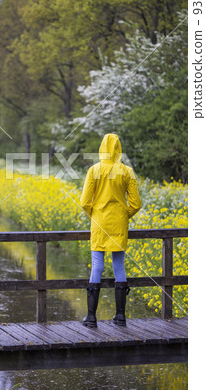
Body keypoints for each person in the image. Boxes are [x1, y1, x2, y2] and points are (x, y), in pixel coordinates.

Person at [80, 133, 141, 327]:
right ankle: (120, 316)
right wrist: (124, 215)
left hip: (99, 224)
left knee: (97, 264)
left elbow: (84, 202)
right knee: (119, 265)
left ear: (102, 148)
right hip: (119, 224)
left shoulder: (94, 170)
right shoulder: (127, 171)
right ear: (118, 149)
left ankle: (91, 317)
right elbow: (136, 204)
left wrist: (95, 215)